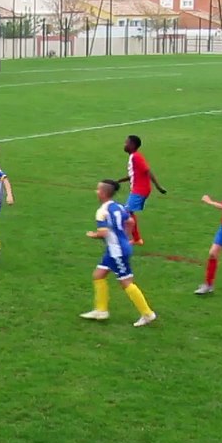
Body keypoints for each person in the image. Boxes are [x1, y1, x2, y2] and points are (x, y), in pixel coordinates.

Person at [79, 180, 158, 327]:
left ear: (103, 193)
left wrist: (93, 235)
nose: (96, 192)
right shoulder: (119, 206)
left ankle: (147, 314)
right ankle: (101, 310)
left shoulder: (102, 211)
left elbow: (103, 232)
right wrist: (126, 237)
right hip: (117, 248)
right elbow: (130, 222)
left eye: (97, 189)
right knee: (98, 275)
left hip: (117, 252)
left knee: (126, 282)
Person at [116, 135, 166, 246]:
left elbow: (148, 171)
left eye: (126, 143)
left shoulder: (136, 157)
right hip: (139, 189)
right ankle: (136, 239)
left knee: (126, 213)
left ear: (132, 145)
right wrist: (118, 181)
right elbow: (133, 175)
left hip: (140, 190)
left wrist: (159, 187)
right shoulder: (133, 157)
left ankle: (128, 239)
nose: (124, 145)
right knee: (128, 212)